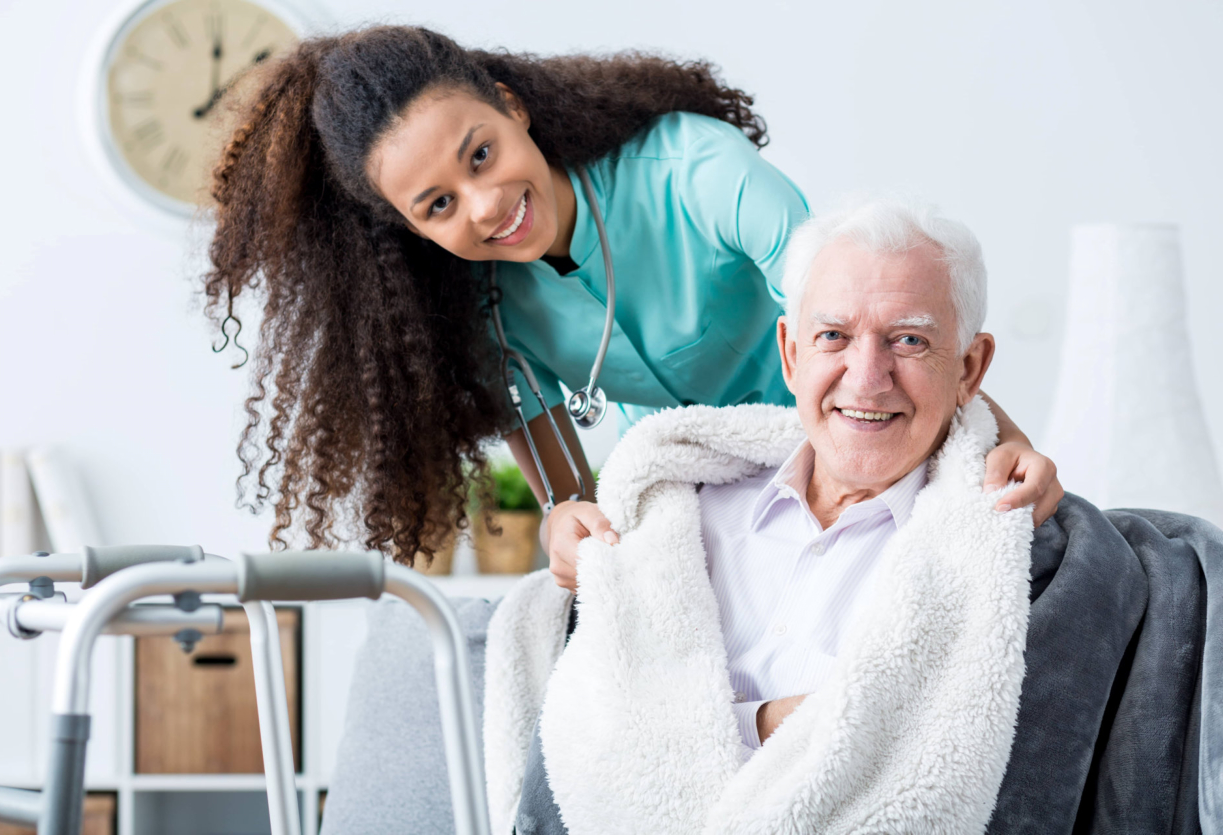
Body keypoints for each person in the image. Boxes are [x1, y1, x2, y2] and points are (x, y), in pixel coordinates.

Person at [203, 25, 1061, 575]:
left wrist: (1010, 441)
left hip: (853, 443)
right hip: (711, 495)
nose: (484, 205)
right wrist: (565, 525)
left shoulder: (699, 171)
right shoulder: (479, 307)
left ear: (511, 108)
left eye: (479, 154)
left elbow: (866, 324)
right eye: (437, 205)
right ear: (408, 228)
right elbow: (564, 485)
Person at [482, 198, 1215, 834]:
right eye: (834, 336)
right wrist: (769, 722)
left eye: (909, 340)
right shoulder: (671, 514)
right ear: (790, 353)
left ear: (970, 368)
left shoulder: (998, 556)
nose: (867, 377)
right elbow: (602, 721)